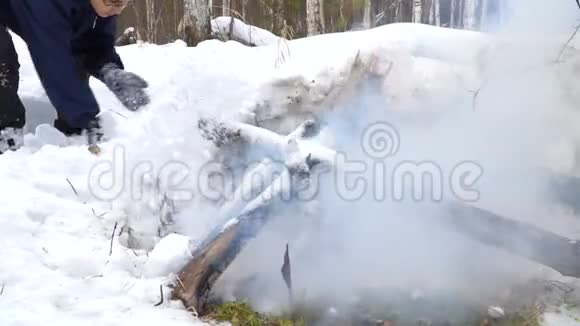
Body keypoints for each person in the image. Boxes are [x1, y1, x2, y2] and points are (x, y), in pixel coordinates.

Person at [0, 0, 149, 154]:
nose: (117, 11)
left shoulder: (102, 7)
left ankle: (74, 134)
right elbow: (53, 58)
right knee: (3, 61)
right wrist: (84, 117)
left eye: (123, 3)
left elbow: (92, 44)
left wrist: (109, 70)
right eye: (113, 2)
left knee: (73, 58)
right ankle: (5, 137)